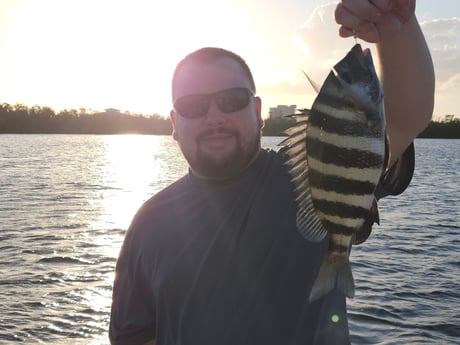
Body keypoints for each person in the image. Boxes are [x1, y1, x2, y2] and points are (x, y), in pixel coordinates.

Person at [109, 1, 434, 344]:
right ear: (174, 124)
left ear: (258, 110)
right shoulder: (147, 223)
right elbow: (133, 335)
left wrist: (395, 22)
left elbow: (404, 117)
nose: (214, 116)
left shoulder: (306, 174)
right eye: (193, 106)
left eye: (232, 99)